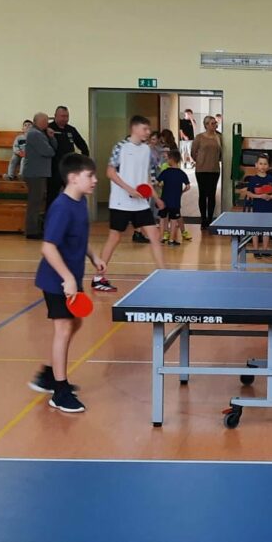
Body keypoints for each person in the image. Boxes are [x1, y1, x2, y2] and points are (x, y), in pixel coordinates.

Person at [30, 155, 102, 414]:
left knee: (75, 322)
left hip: (70, 277)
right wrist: (68, 278)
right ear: (73, 178)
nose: (95, 180)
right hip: (56, 281)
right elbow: (48, 247)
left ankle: (48, 374)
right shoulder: (61, 207)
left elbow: (79, 236)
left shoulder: (80, 202)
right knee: (63, 328)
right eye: (90, 176)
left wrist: (93, 256)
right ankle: (59, 392)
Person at [94, 114, 165, 290]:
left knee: (154, 236)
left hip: (140, 203)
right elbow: (110, 172)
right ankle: (98, 277)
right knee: (115, 237)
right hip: (120, 202)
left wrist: (156, 198)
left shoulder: (146, 150)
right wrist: (129, 190)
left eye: (148, 129)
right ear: (134, 129)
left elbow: (145, 176)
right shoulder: (120, 147)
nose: (148, 132)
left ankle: (164, 274)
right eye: (145, 129)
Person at [46, 105, 91, 211]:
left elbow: (82, 145)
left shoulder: (71, 129)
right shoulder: (49, 129)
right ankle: (50, 218)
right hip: (54, 169)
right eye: (62, 116)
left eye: (67, 116)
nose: (65, 119)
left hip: (69, 169)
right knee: (52, 196)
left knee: (73, 194)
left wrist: (83, 162)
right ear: (55, 116)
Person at [21, 113, 56, 241]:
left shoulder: (41, 133)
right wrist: (50, 143)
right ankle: (32, 230)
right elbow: (49, 151)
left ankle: (35, 229)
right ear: (38, 122)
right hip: (35, 173)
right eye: (45, 121)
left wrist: (51, 138)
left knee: (37, 201)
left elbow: (53, 148)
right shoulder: (35, 134)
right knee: (35, 202)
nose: (47, 123)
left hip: (39, 172)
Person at [192, 115, 224, 228]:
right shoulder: (199, 137)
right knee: (202, 194)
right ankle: (203, 219)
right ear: (206, 125)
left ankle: (210, 219)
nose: (215, 125)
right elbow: (193, 152)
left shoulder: (219, 137)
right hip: (201, 170)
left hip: (214, 170)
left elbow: (221, 153)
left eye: (215, 123)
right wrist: (200, 160)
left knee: (211, 194)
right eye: (212, 123)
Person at [155, 148, 190, 245]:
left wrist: (161, 186)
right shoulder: (182, 173)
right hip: (175, 201)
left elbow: (157, 183)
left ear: (171, 159)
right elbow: (188, 186)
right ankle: (171, 240)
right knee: (174, 220)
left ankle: (161, 238)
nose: (167, 160)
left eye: (168, 158)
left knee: (162, 219)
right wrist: (181, 192)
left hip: (164, 200)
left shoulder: (165, 172)